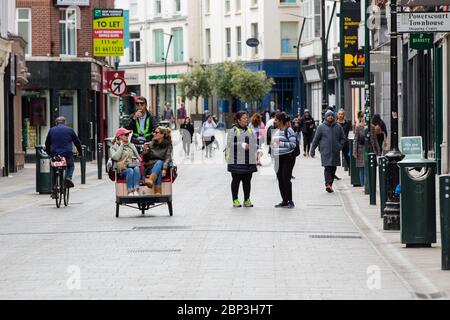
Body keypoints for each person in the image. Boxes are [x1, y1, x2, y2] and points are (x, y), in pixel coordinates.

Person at [45, 116, 83, 199]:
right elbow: (77, 142)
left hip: (55, 154)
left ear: (56, 123)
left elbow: (47, 143)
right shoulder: (70, 130)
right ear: (65, 122)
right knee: (70, 166)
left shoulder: (52, 130)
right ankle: (68, 178)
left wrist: (49, 153)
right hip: (67, 154)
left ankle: (54, 190)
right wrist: (80, 153)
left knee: (54, 170)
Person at [226, 111, 258, 208]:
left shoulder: (249, 130)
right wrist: (242, 145)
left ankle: (247, 199)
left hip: (248, 160)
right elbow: (229, 144)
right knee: (236, 180)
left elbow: (254, 142)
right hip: (236, 161)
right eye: (244, 118)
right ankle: (235, 199)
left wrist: (258, 149)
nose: (246, 119)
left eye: (246, 118)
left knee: (247, 181)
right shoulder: (233, 130)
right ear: (239, 120)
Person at [310, 110, 346, 193]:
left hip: (335, 151)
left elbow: (343, 138)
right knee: (327, 167)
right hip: (325, 151)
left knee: (333, 168)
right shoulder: (321, 127)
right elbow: (316, 139)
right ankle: (327, 184)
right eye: (328, 116)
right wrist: (312, 150)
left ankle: (330, 184)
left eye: (332, 115)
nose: (330, 117)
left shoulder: (338, 126)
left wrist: (340, 146)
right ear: (325, 117)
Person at [271, 112, 297, 209]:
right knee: (280, 180)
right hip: (278, 158)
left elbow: (293, 145)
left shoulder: (289, 130)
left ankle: (290, 201)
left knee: (286, 179)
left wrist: (281, 143)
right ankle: (284, 200)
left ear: (281, 121)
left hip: (287, 157)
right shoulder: (275, 130)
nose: (274, 121)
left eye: (276, 120)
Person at [110, 128, 142, 196]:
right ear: (119, 136)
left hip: (132, 165)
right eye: (126, 134)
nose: (128, 136)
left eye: (128, 134)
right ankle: (130, 191)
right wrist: (121, 145)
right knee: (130, 170)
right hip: (122, 169)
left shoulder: (131, 145)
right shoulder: (114, 147)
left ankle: (136, 189)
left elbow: (138, 157)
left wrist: (136, 160)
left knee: (136, 169)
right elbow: (115, 157)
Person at [353, 111, 381, 187]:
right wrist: (355, 151)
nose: (364, 119)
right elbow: (355, 139)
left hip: (370, 149)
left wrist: (378, 151)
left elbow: (375, 139)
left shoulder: (372, 127)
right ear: (360, 118)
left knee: (370, 167)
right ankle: (363, 185)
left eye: (365, 117)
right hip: (361, 149)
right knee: (362, 168)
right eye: (362, 117)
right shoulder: (358, 127)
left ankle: (370, 184)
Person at [142, 126, 173, 195]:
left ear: (162, 135)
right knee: (159, 165)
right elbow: (146, 159)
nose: (154, 134)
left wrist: (165, 169)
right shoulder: (150, 144)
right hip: (150, 166)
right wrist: (145, 151)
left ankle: (151, 181)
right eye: (154, 132)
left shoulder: (168, 145)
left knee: (160, 164)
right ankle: (157, 191)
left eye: (156, 132)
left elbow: (168, 157)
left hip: (161, 166)